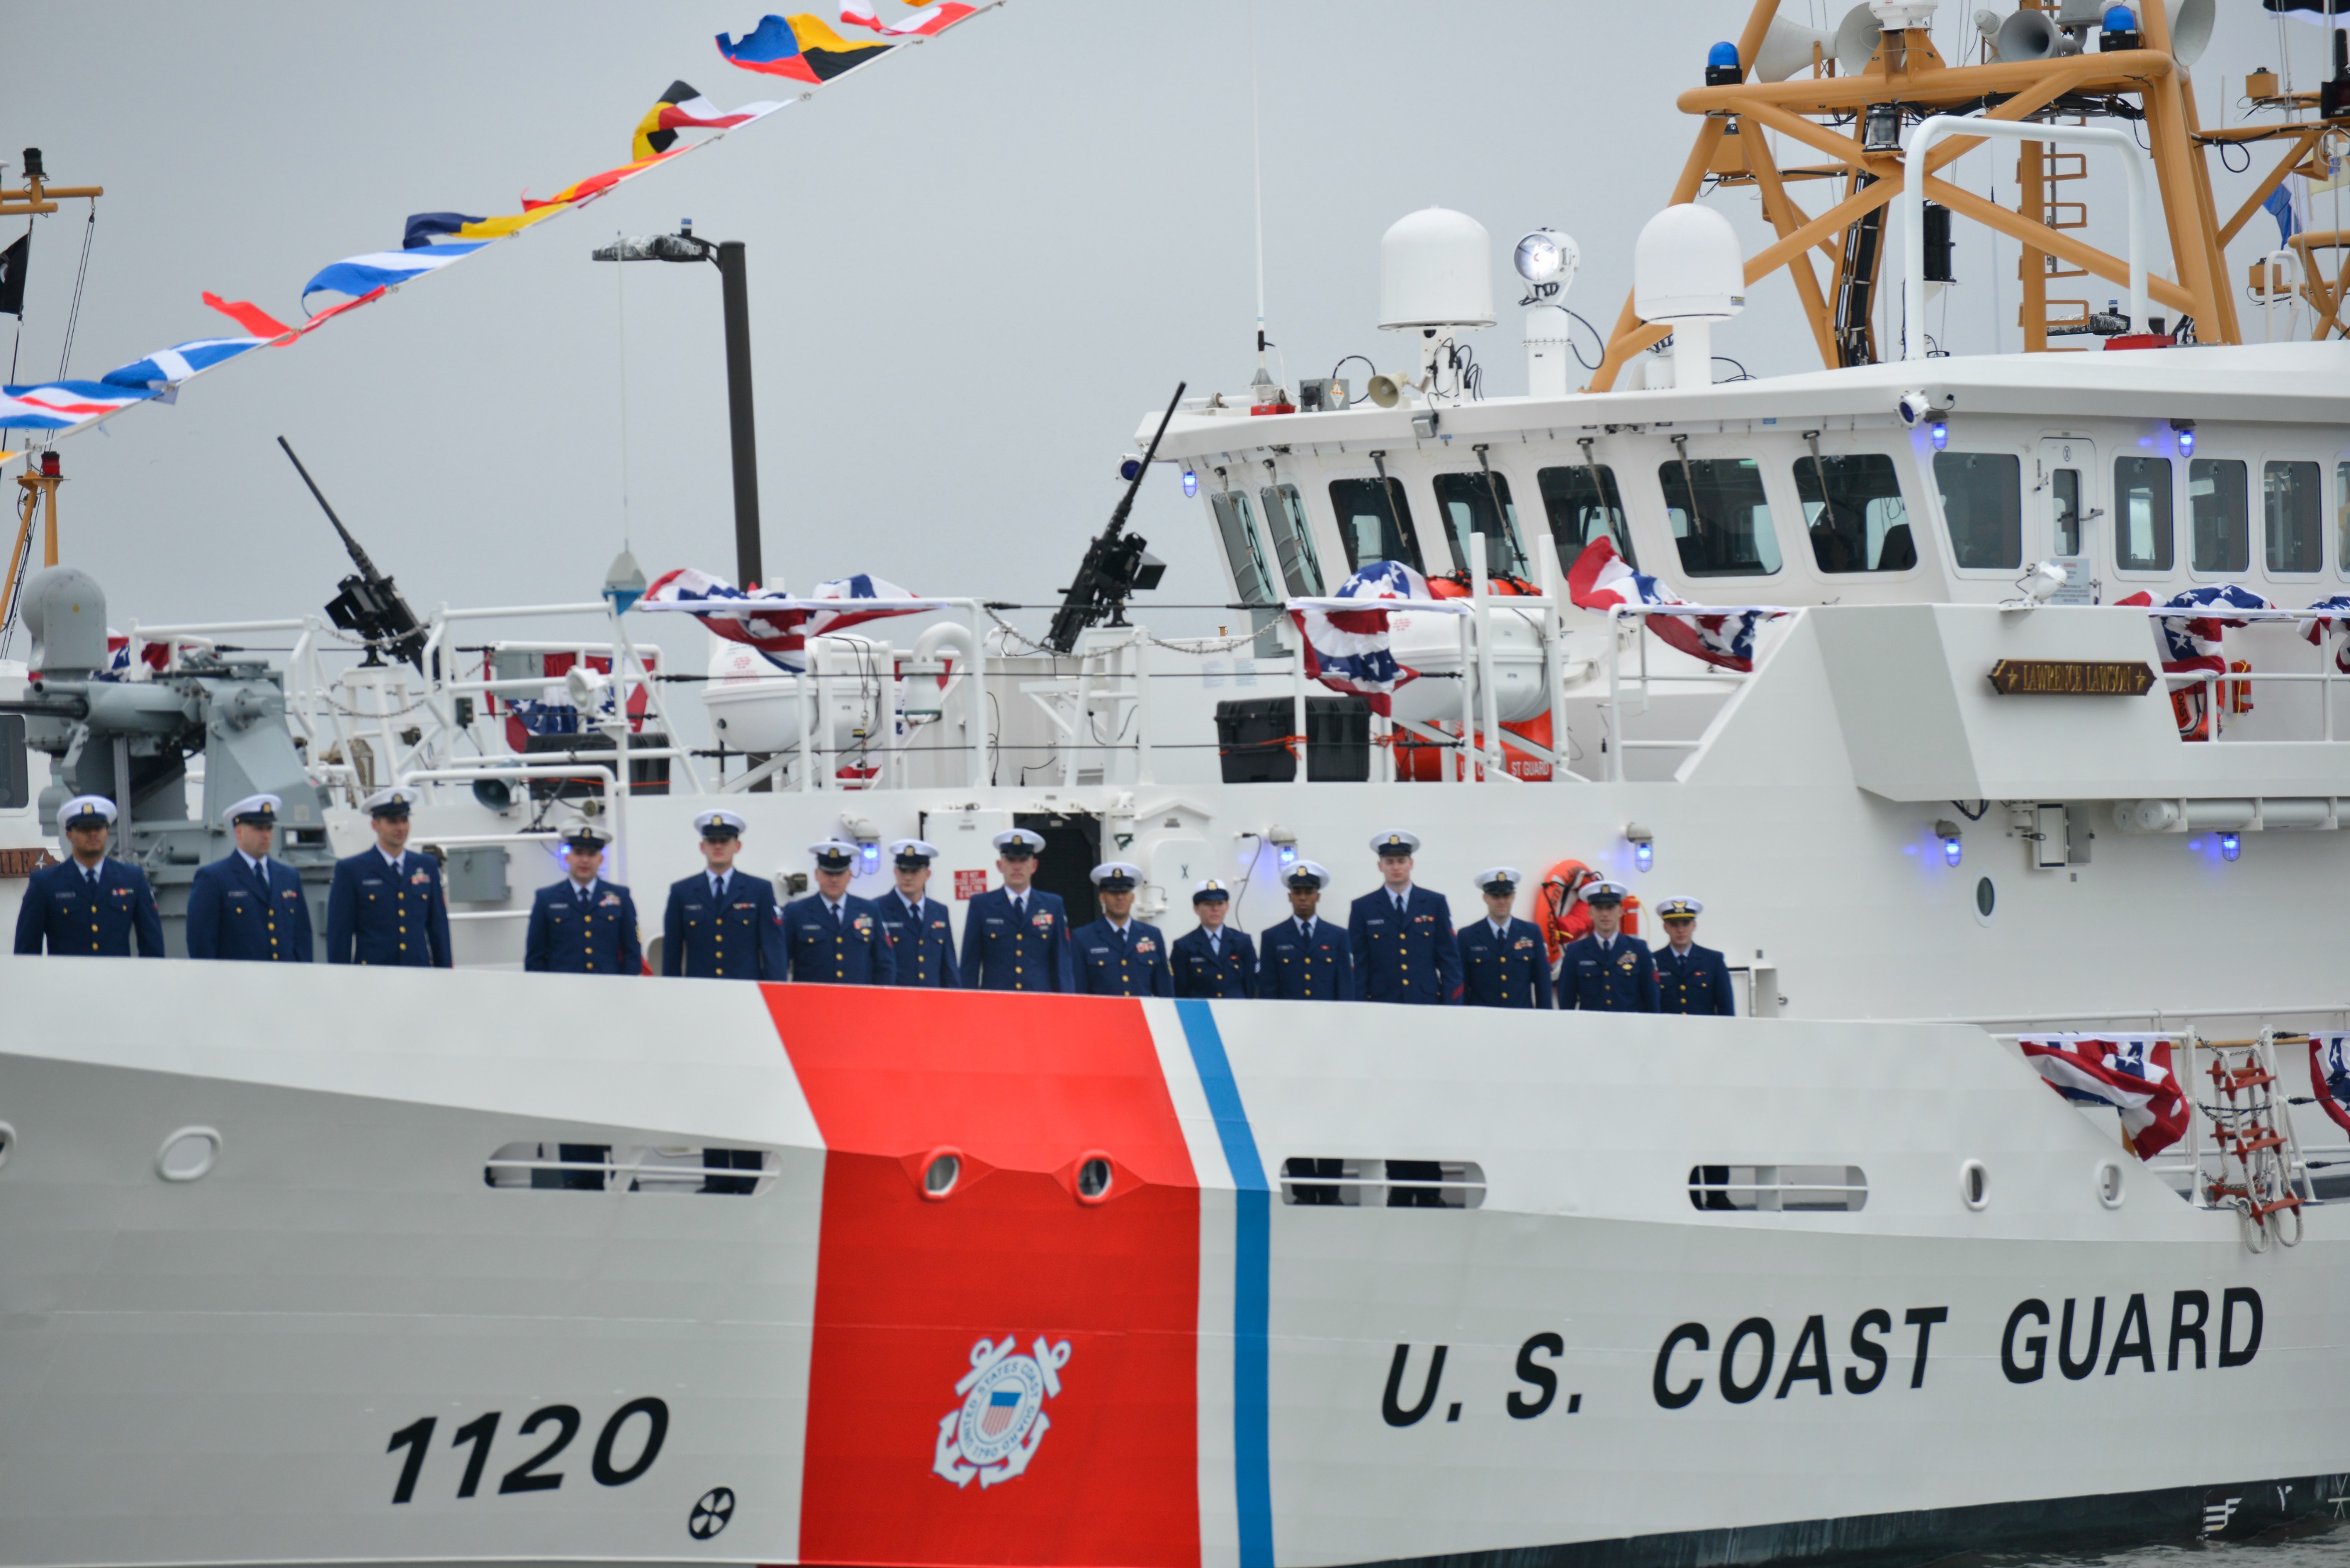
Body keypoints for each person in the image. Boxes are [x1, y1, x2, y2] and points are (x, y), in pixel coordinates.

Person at [13, 794, 165, 958]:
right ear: (69, 835)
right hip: (66, 981)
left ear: (107, 831)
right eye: (85, 828)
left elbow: (152, 944)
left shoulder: (132, 879)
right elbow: (26, 951)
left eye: (99, 827)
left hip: (117, 982)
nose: (93, 833)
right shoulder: (45, 884)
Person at [325, 787, 453, 967]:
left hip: (418, 972)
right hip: (373, 975)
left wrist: (445, 974)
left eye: (404, 820)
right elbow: (340, 933)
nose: (400, 828)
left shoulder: (426, 866)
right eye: (392, 821)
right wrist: (341, 980)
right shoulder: (352, 870)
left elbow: (438, 927)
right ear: (375, 825)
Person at [186, 793, 315, 962]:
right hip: (237, 984)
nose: (266, 835)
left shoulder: (289, 877)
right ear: (239, 832)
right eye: (258, 829)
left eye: (269, 828)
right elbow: (201, 943)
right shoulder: (214, 878)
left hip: (284, 983)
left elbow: (302, 939)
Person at [662, 809, 789, 979]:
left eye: (724, 840)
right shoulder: (681, 892)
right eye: (712, 840)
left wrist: (774, 994)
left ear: (737, 846)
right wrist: (673, 994)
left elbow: (773, 948)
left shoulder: (759, 891)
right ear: (702, 847)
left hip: (746, 992)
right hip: (699, 992)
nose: (718, 846)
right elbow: (672, 952)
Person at [1348, 830, 1462, 1004]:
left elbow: (1449, 960)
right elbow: (1359, 964)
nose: (1396, 867)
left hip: (1426, 1002)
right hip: (1382, 1003)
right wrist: (1360, 1007)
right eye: (1390, 862)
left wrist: (1452, 1005)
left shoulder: (1434, 903)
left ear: (1411, 863)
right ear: (1380, 866)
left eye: (1401, 861)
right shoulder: (1363, 907)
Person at [958, 828, 1074, 991]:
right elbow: (970, 964)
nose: (1017, 867)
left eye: (1023, 860)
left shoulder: (1052, 905)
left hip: (1039, 1004)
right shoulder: (982, 905)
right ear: (1000, 865)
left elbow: (1062, 962)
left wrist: (1066, 1005)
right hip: (997, 1003)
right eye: (1011, 860)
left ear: (1034, 866)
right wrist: (968, 1006)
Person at [522, 825, 641, 975]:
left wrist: (627, 986)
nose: (585, 860)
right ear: (567, 857)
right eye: (578, 853)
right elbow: (535, 955)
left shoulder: (621, 897)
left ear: (601, 859)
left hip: (608, 989)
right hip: (563, 989)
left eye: (591, 854)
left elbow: (633, 949)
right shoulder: (546, 899)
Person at [781, 839, 897, 985]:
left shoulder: (870, 910)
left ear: (849, 875)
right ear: (817, 874)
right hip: (812, 1003)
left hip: (858, 1003)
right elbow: (780, 961)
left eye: (839, 873)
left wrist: (882, 1001)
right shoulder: (796, 912)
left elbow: (885, 964)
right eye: (828, 873)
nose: (834, 879)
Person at [1069, 862, 1172, 996]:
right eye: (1113, 893)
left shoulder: (1153, 935)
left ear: (1132, 897)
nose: (1119, 897)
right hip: (1103, 1016)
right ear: (1102, 898)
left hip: (1142, 1016)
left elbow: (1165, 988)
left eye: (1124, 892)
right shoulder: (1083, 938)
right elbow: (1079, 991)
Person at [1456, 867, 1553, 1009]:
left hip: (1521, 1019)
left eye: (1506, 896)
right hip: (1481, 1021)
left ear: (1513, 897)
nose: (1502, 901)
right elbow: (1461, 985)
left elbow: (1542, 982)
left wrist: (1545, 1020)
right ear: (1485, 898)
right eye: (1495, 896)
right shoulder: (1467, 936)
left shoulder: (1532, 933)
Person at [1556, 880, 1659, 1012]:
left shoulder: (1639, 949)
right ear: (1590, 913)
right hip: (1590, 1029)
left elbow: (1651, 998)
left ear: (1620, 912)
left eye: (1610, 908)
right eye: (1599, 908)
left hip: (1629, 1029)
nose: (1605, 914)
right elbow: (1566, 1001)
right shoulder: (1576, 952)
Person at [1258, 860, 1353, 1000]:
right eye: (1297, 892)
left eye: (1309, 892)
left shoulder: (1338, 936)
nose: (1303, 898)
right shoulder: (1273, 937)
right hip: (1289, 1017)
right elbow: (1268, 989)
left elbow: (1345, 986)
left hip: (1327, 1017)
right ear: (1290, 897)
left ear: (1318, 897)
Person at [877, 837, 957, 988]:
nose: (908, 877)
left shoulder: (939, 911)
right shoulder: (877, 909)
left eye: (914, 871)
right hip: (895, 1001)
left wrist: (956, 1004)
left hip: (932, 1003)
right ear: (895, 872)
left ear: (927, 874)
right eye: (903, 870)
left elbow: (948, 966)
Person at [1172, 879, 1256, 998]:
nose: (1215, 909)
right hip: (1201, 1013)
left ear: (1227, 906)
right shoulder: (1184, 946)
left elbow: (1250, 983)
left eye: (1220, 903)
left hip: (1236, 1011)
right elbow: (1181, 989)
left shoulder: (1242, 942)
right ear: (1196, 908)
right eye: (1208, 904)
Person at [1653, 897, 1737, 1016]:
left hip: (1704, 1033)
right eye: (1674, 925)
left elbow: (1726, 1008)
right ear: (1666, 928)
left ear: (1694, 925)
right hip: (1666, 1033)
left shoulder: (1713, 961)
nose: (1680, 930)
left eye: (1686, 924)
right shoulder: (1654, 961)